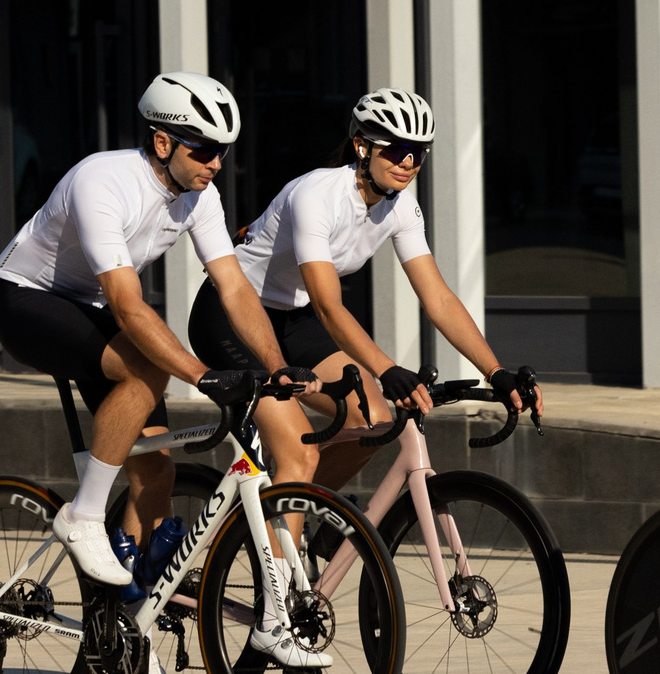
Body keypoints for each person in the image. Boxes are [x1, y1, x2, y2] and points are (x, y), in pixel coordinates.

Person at [0, 71, 318, 674]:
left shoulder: (201, 195)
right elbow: (128, 304)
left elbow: (233, 287)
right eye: (202, 149)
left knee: (158, 476)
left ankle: (122, 631)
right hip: (28, 300)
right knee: (147, 369)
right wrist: (202, 374)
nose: (215, 163)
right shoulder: (104, 180)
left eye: (223, 151)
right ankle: (82, 516)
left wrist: (275, 366)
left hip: (87, 306)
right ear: (162, 142)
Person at [186, 87, 539, 491]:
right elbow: (328, 306)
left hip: (292, 318)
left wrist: (494, 372)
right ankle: (278, 539)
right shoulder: (317, 195)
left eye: (419, 153)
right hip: (232, 317)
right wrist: (385, 368)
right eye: (397, 149)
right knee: (298, 454)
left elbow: (438, 298)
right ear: (362, 147)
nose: (408, 162)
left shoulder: (401, 207)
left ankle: (314, 519)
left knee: (375, 422)